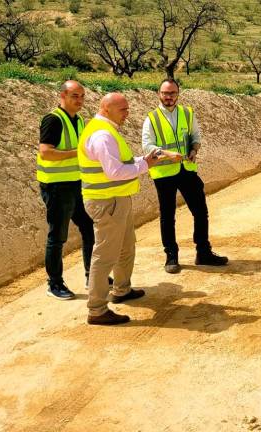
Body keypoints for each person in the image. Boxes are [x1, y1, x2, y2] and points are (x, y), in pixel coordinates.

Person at [79, 93, 166, 325]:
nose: (127, 113)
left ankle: (121, 289)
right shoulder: (102, 135)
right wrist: (146, 164)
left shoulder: (106, 130)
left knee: (126, 246)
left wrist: (143, 159)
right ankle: (96, 310)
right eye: (123, 110)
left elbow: (120, 164)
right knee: (105, 255)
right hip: (107, 201)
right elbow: (115, 172)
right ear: (106, 109)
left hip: (116, 199)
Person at [142, 79, 228, 274]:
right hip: (164, 173)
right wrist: (166, 153)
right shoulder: (151, 118)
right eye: (165, 93)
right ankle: (171, 256)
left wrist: (194, 150)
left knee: (200, 210)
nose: (169, 96)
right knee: (167, 216)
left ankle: (203, 252)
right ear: (158, 94)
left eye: (172, 93)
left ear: (178, 94)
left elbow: (195, 136)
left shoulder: (187, 113)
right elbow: (147, 146)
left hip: (187, 170)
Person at [37, 80, 95, 300]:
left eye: (82, 96)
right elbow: (46, 152)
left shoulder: (79, 120)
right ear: (62, 96)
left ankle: (93, 274)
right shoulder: (53, 120)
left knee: (89, 227)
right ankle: (54, 284)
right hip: (57, 187)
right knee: (57, 236)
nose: (79, 100)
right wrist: (78, 152)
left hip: (76, 184)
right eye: (74, 96)